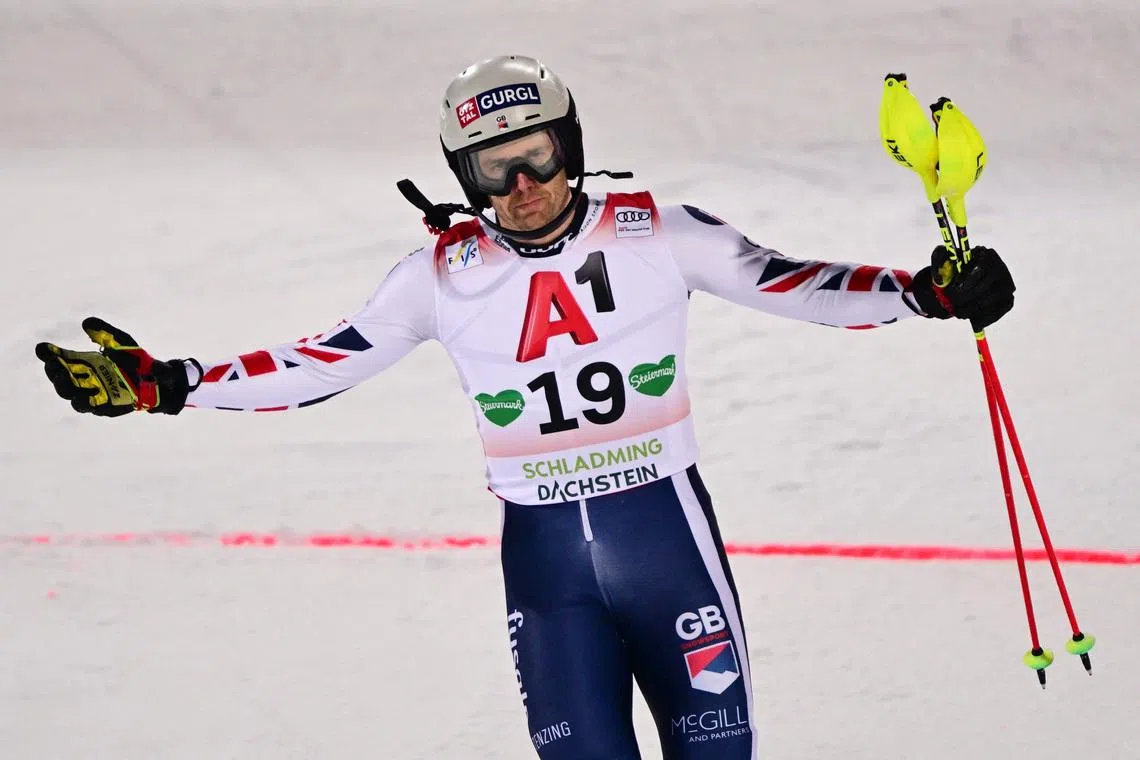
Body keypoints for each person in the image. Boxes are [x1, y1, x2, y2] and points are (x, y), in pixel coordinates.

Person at [34, 55, 1015, 759]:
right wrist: (172, 382)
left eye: (539, 155)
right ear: (466, 179)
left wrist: (924, 290)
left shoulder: (657, 232)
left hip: (665, 537)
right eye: (495, 170)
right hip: (548, 573)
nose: (525, 186)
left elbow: (792, 281)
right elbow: (321, 361)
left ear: (572, 145)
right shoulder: (441, 276)